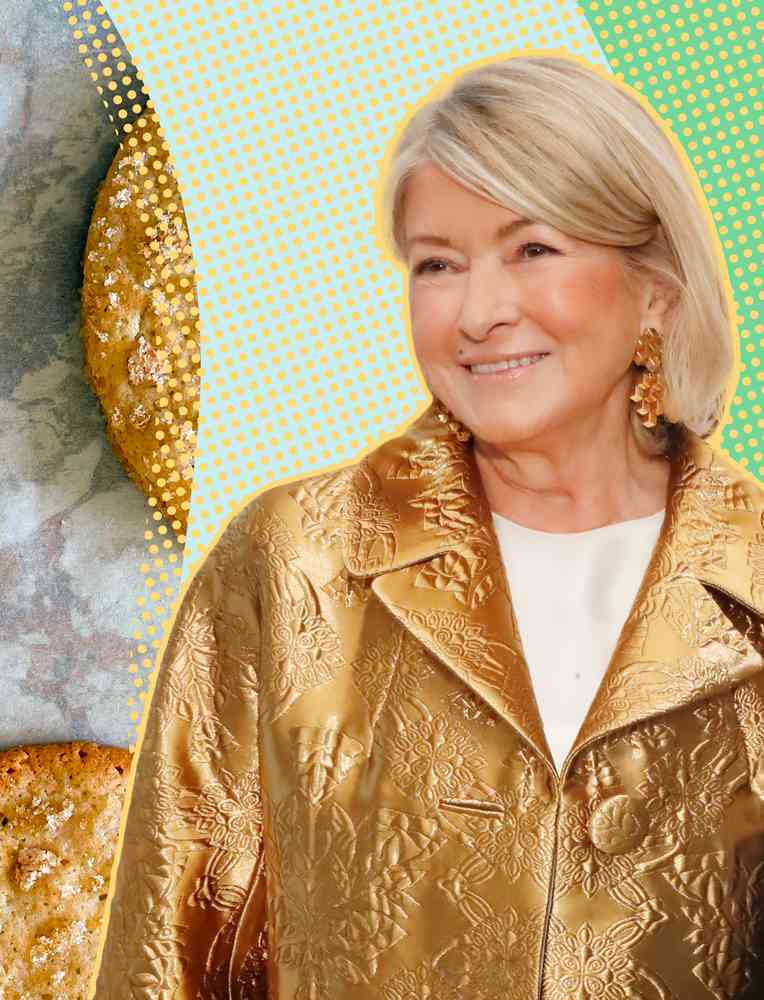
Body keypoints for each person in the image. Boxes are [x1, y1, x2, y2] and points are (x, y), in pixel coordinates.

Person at [91, 54, 764, 999]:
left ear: (654, 285)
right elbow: (164, 965)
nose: (479, 314)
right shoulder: (293, 566)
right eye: (438, 264)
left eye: (533, 250)